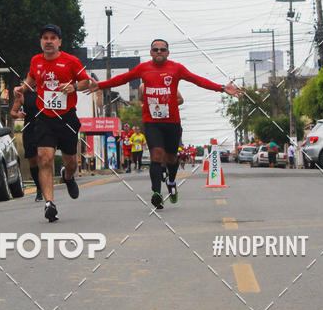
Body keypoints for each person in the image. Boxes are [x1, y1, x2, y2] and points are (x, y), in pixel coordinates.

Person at [89, 39, 242, 209]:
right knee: (156, 156)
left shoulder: (176, 68)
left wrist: (221, 88)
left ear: (168, 52)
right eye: (155, 49)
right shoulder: (143, 68)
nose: (159, 52)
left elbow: (197, 80)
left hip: (172, 122)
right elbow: (122, 79)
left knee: (171, 158)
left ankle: (171, 181)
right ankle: (156, 193)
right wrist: (100, 85)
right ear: (151, 52)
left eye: (162, 49)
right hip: (152, 122)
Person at [14, 24, 92, 222]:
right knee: (44, 158)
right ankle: (50, 203)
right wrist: (22, 88)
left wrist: (73, 86)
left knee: (71, 161)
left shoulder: (71, 61)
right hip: (45, 117)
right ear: (41, 42)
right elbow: (32, 77)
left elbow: (86, 82)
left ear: (59, 42)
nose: (48, 41)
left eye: (53, 38)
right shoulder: (36, 61)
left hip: (66, 117)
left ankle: (68, 175)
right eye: (45, 38)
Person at [10, 87, 42, 200]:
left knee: (43, 157)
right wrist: (18, 115)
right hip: (29, 129)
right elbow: (13, 112)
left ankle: (44, 185)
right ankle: (39, 188)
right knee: (32, 160)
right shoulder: (23, 95)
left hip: (44, 127)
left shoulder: (45, 89)